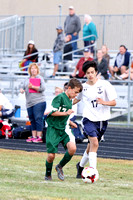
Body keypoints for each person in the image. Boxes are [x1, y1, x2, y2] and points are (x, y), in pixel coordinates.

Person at [73, 60, 117, 178]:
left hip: (102, 120)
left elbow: (114, 102)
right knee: (95, 143)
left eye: (92, 72)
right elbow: (76, 99)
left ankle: (80, 166)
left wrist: (104, 102)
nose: (90, 75)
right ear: (85, 74)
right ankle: (93, 172)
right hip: (88, 119)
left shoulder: (105, 85)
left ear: (96, 72)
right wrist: (66, 103)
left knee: (90, 147)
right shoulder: (84, 87)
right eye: (88, 73)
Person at [45, 78, 83, 181]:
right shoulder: (59, 98)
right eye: (75, 92)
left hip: (65, 128)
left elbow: (64, 114)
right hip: (53, 129)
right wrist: (66, 113)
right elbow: (52, 113)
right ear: (69, 88)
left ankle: (60, 166)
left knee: (72, 149)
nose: (76, 95)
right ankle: (48, 174)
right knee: (51, 155)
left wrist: (70, 122)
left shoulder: (70, 99)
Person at [20, 63, 46, 143]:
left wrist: (33, 87)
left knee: (38, 118)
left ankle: (39, 136)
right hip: (29, 103)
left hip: (39, 101)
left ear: (37, 70)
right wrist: (21, 89)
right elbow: (22, 86)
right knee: (32, 119)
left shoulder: (40, 78)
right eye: (32, 68)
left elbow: (43, 88)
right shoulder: (26, 79)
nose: (33, 70)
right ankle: (34, 136)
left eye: (35, 68)